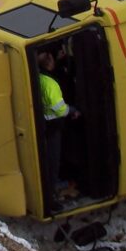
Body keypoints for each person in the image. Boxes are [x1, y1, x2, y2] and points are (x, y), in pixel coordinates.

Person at [37, 49, 80, 206]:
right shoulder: (50, 83)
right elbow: (60, 108)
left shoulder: (39, 78)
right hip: (53, 128)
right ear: (49, 61)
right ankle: (51, 198)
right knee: (52, 164)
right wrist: (73, 111)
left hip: (44, 126)